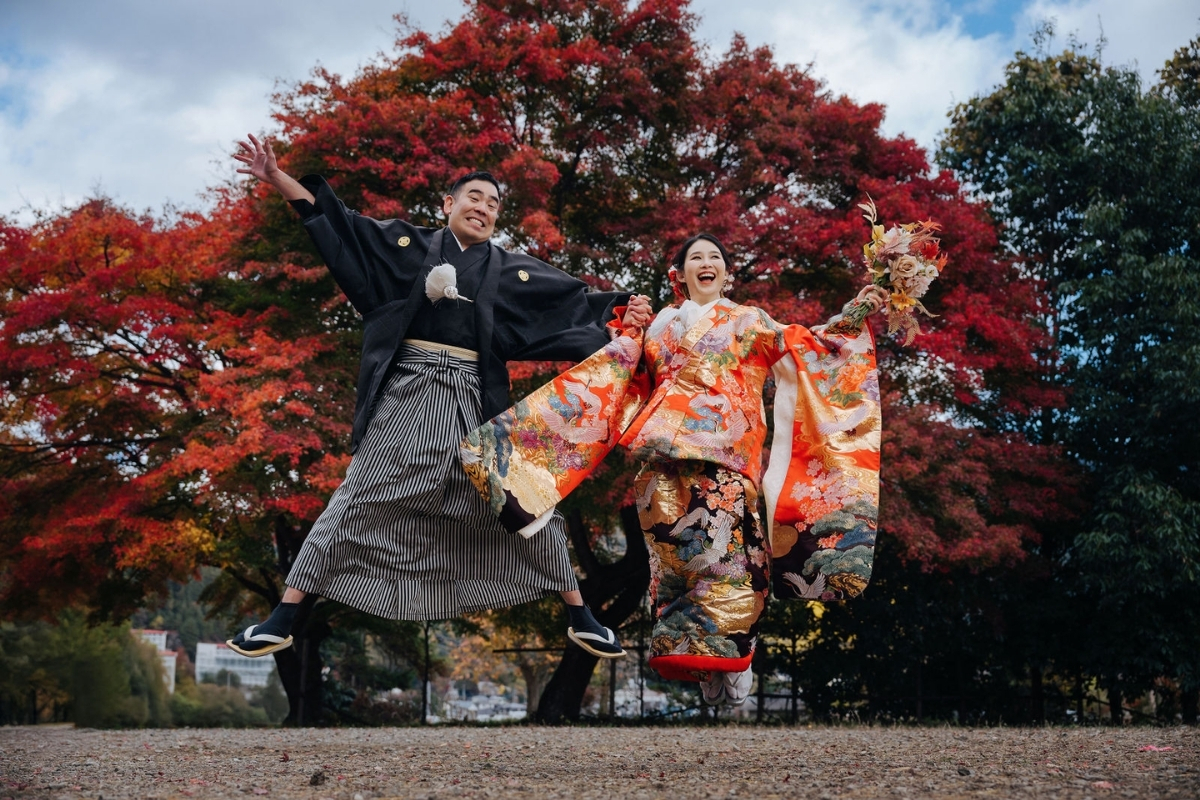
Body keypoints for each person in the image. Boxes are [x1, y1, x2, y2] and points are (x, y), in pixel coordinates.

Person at [225, 133, 653, 660]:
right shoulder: (404, 245)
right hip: (408, 394)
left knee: (521, 501)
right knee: (355, 496)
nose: (484, 208)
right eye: (474, 197)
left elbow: (574, 303)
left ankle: (580, 614)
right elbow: (339, 227)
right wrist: (276, 177)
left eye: (494, 205)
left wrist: (622, 319)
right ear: (448, 204)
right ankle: (283, 618)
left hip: (474, 400)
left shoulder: (513, 270)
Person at [462, 232, 885, 704]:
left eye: (715, 258)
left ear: (726, 273)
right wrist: (628, 332)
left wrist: (856, 313)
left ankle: (734, 651)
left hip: (722, 455)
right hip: (658, 455)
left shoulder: (749, 320)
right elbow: (630, 377)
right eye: (696, 258)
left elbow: (808, 346)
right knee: (672, 562)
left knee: (724, 559)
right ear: (680, 275)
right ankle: (700, 659)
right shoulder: (662, 325)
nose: (707, 263)